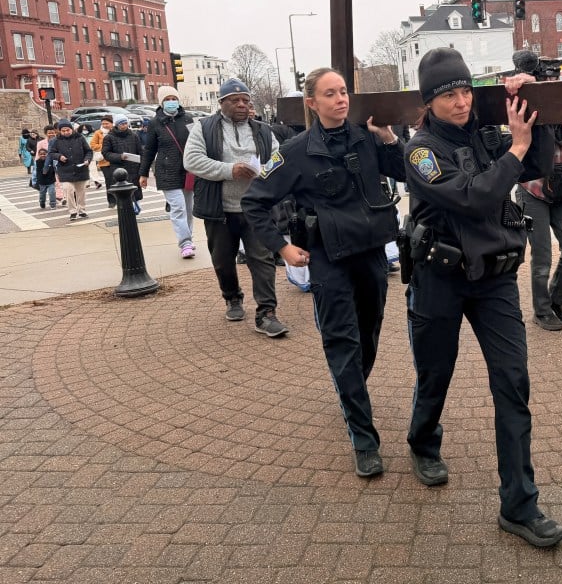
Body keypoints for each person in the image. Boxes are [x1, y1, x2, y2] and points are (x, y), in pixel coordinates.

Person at [402, 47, 562, 548]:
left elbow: (537, 163)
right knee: (435, 373)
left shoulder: (488, 135)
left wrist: (531, 110)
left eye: (466, 91)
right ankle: (423, 442)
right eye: (449, 94)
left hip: (493, 279)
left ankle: (519, 505)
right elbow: (472, 197)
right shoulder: (421, 152)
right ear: (430, 101)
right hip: (440, 279)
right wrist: (513, 151)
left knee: (513, 381)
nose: (461, 101)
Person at [242, 67, 406, 478]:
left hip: (370, 253)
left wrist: (388, 137)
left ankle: (350, 388)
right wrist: (282, 246)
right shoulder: (296, 151)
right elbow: (255, 202)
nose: (341, 99)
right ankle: (364, 437)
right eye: (330, 94)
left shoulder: (367, 137)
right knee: (342, 341)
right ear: (312, 103)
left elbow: (406, 171)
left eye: (344, 91)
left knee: (369, 333)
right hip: (327, 259)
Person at [184, 79, 287, 337]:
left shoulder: (263, 130)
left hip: (256, 208)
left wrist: (263, 172)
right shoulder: (204, 128)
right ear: (221, 103)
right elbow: (192, 160)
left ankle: (266, 313)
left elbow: (277, 158)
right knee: (222, 260)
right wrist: (230, 170)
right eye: (235, 100)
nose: (242, 104)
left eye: (245, 100)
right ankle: (232, 298)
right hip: (220, 209)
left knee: (262, 258)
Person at [509, 51, 562, 331]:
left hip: (560, 189)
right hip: (532, 190)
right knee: (541, 256)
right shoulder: (522, 101)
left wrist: (560, 132)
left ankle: (556, 300)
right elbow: (516, 136)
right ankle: (541, 310)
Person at [140, 86, 197, 258]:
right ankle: (185, 243)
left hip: (188, 170)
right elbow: (149, 150)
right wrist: (143, 173)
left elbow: (197, 142)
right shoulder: (155, 122)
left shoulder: (188, 118)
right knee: (178, 208)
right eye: (167, 99)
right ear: (161, 102)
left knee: (188, 208)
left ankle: (189, 238)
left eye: (174, 98)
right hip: (166, 171)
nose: (171, 102)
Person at [50, 118, 93, 221]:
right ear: (60, 131)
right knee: (68, 190)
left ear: (71, 129)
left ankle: (82, 210)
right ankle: (72, 211)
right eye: (63, 131)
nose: (65, 132)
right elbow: (51, 153)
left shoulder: (80, 138)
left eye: (67, 130)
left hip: (80, 168)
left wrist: (87, 160)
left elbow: (88, 151)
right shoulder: (56, 140)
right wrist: (59, 156)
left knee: (80, 191)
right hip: (65, 170)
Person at [102, 114, 144, 213]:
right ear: (116, 125)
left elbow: (140, 152)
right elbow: (106, 153)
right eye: (121, 124)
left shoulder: (134, 135)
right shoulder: (109, 137)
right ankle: (125, 211)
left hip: (134, 168)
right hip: (118, 170)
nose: (124, 126)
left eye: (125, 123)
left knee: (135, 191)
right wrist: (119, 157)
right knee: (123, 194)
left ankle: (136, 209)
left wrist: (142, 164)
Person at [89, 117, 112, 198]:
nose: (105, 125)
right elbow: (92, 145)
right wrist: (105, 147)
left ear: (111, 123)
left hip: (115, 160)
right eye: (103, 124)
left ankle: (118, 198)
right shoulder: (98, 133)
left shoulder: (115, 132)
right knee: (108, 180)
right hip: (103, 161)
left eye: (107, 123)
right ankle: (111, 200)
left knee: (116, 180)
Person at [35, 140, 57, 209]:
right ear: (38, 155)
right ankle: (42, 202)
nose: (43, 155)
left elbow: (55, 168)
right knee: (42, 194)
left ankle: (53, 204)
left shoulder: (51, 161)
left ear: (47, 154)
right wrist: (34, 181)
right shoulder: (37, 162)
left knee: (52, 193)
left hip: (51, 180)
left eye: (44, 154)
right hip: (42, 182)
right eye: (41, 154)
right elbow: (35, 172)